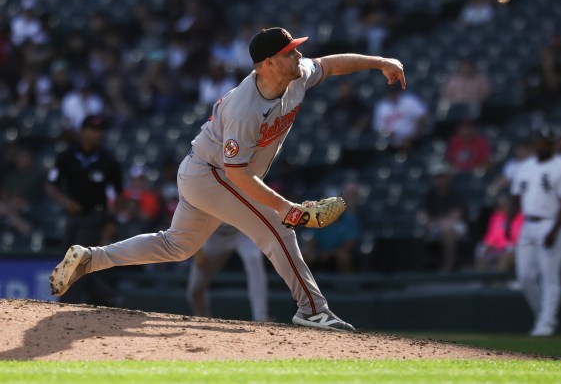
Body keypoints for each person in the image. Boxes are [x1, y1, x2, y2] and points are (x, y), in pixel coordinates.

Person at [49, 27, 406, 332]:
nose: (298, 55)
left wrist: (380, 63)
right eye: (288, 52)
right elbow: (237, 174)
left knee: (178, 246)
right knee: (278, 227)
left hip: (208, 173)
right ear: (268, 64)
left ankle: (90, 259)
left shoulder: (296, 74)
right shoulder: (244, 108)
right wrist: (287, 208)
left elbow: (330, 65)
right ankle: (313, 309)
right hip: (212, 173)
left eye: (295, 48)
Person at [507, 127, 561, 336]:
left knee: (549, 275)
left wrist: (555, 231)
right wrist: (509, 221)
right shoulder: (525, 166)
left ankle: (546, 323)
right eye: (538, 142)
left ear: (553, 144)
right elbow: (515, 195)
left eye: (545, 142)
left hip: (552, 222)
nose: (541, 145)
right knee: (524, 276)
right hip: (528, 223)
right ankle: (545, 316)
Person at [45, 115, 123, 305]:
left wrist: (112, 220)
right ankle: (110, 299)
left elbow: (117, 194)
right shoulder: (67, 156)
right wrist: (65, 202)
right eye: (93, 130)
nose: (97, 134)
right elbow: (50, 185)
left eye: (100, 131)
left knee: (76, 259)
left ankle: (66, 303)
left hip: (96, 216)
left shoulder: (108, 160)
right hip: (72, 216)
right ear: (82, 131)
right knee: (74, 261)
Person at [186, 223, 269, 322]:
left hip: (242, 232)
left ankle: (261, 318)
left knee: (253, 258)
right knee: (195, 289)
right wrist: (197, 249)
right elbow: (190, 214)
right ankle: (203, 321)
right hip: (213, 236)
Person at [419, 162, 468, 272]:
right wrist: (429, 221)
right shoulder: (430, 194)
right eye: (437, 177)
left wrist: (437, 221)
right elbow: (423, 213)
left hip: (456, 226)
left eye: (443, 177)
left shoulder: (456, 193)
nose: (440, 180)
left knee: (448, 230)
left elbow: (456, 215)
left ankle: (447, 267)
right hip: (434, 225)